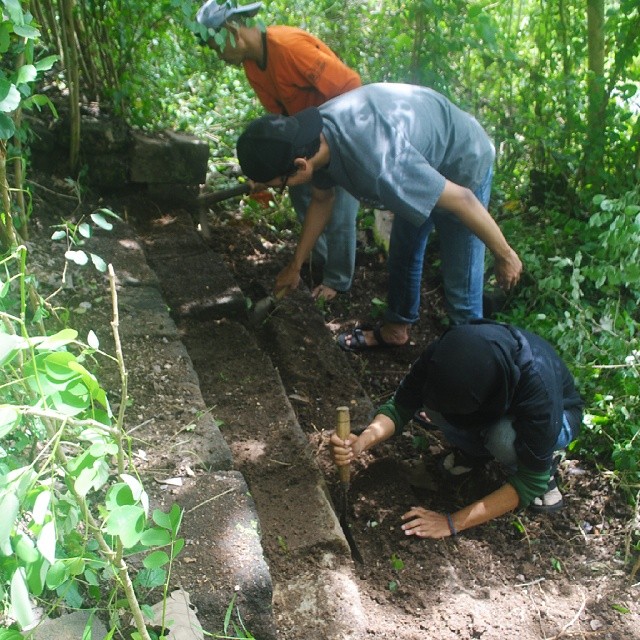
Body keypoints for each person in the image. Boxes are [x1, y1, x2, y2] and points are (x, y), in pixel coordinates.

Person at [235, 83, 523, 350]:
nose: (280, 190)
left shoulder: (380, 166)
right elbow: (322, 199)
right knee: (404, 252)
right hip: (418, 157)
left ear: (299, 167)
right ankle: (396, 329)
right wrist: (295, 265)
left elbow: (463, 200)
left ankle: (473, 367)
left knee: (461, 291)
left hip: (461, 164)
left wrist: (505, 254)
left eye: (279, 185)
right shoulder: (311, 138)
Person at [329, 320, 584, 538]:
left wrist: (451, 523)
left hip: (560, 417)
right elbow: (401, 406)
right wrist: (362, 443)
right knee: (435, 406)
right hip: (494, 406)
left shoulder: (537, 388)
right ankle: (475, 452)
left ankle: (544, 462)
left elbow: (530, 481)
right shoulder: (443, 355)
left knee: (503, 439)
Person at [196, 0, 361, 300]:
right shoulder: (252, 65)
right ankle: (316, 260)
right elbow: (280, 116)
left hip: (338, 135)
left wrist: (334, 138)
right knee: (301, 194)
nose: (219, 55)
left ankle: (338, 280)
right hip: (302, 138)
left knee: (338, 208)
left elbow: (351, 85)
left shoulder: (287, 48)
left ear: (232, 31)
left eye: (216, 45)